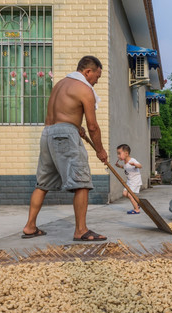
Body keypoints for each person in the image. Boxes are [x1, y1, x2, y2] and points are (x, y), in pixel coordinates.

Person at [22, 56, 108, 241]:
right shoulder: (84, 89)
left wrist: (76, 126)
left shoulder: (60, 85)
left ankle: (30, 226)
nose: (96, 81)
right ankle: (81, 230)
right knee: (82, 181)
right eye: (97, 77)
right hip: (65, 135)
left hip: (48, 134)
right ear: (87, 72)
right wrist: (100, 150)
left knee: (42, 184)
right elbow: (93, 126)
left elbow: (63, 113)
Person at [115, 144, 143, 214]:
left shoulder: (132, 160)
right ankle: (136, 203)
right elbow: (125, 167)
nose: (118, 156)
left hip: (135, 181)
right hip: (129, 181)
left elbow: (140, 166)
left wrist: (135, 165)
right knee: (125, 194)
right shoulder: (125, 162)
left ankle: (136, 209)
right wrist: (119, 166)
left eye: (119, 153)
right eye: (117, 154)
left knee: (130, 195)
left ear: (126, 153)